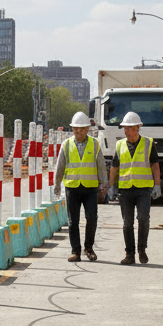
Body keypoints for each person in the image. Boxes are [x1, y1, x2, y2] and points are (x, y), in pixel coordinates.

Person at [52, 112, 107, 262]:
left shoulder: (94, 144)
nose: (78, 131)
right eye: (75, 129)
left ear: (88, 128)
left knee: (92, 218)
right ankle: (75, 251)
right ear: (72, 129)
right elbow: (60, 166)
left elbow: (101, 165)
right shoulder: (67, 144)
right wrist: (56, 184)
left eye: (81, 129)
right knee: (73, 221)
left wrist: (104, 184)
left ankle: (88, 248)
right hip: (72, 188)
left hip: (90, 188)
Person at [108, 111, 162, 265]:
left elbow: (155, 166)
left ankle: (142, 250)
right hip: (125, 189)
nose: (128, 132)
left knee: (143, 219)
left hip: (143, 189)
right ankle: (130, 254)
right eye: (125, 128)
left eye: (131, 128)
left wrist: (157, 185)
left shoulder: (148, 143)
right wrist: (111, 186)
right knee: (127, 223)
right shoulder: (119, 145)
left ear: (138, 128)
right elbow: (114, 167)